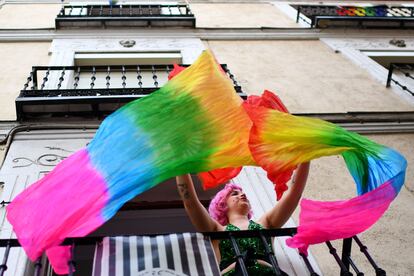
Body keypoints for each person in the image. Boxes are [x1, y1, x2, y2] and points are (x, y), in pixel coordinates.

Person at [176, 162, 310, 276]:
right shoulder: (216, 230)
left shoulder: (266, 223)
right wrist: (180, 164)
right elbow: (190, 203)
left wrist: (305, 157)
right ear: (222, 204)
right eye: (235, 194)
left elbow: (294, 193)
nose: (242, 195)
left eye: (242, 192)